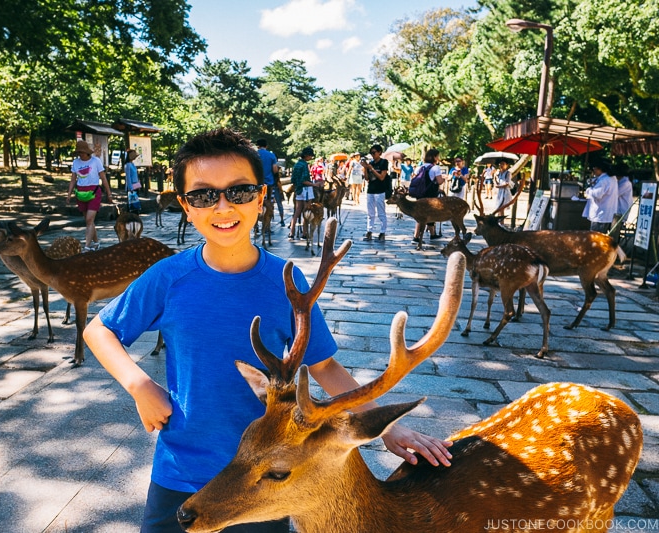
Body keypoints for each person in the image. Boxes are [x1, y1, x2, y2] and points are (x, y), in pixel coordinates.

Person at [82, 128, 452, 533]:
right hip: (181, 468)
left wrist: (387, 427)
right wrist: (140, 386)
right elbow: (99, 331)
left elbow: (325, 367)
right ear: (186, 207)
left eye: (238, 192)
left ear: (261, 197)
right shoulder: (169, 278)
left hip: (272, 484)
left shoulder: (286, 282)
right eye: (204, 196)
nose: (223, 207)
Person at [67, 139, 112, 251]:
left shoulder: (95, 161)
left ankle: (87, 246)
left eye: (82, 152)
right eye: (79, 152)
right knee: (89, 221)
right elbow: (73, 179)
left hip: (94, 192)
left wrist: (109, 193)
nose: (80, 154)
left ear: (87, 152)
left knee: (89, 220)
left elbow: (103, 177)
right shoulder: (75, 163)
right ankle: (96, 242)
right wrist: (69, 194)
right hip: (81, 192)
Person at [412, 148, 445, 244]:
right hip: (430, 195)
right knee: (427, 215)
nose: (438, 158)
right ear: (434, 157)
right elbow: (439, 181)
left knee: (423, 214)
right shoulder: (435, 168)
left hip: (420, 194)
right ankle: (420, 236)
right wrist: (445, 179)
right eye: (437, 156)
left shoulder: (420, 167)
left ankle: (429, 234)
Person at [360, 144, 389, 241]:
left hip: (380, 190)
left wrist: (371, 168)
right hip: (371, 190)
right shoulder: (371, 163)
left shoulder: (383, 162)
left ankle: (382, 232)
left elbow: (381, 177)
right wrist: (365, 168)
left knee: (381, 213)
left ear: (380, 152)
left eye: (374, 153)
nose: (372, 155)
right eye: (371, 153)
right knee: (370, 213)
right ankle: (369, 231)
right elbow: (367, 178)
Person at [582, 159, 618, 233]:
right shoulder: (611, 178)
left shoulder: (604, 180)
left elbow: (597, 194)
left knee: (595, 239)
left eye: (594, 168)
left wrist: (589, 190)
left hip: (600, 215)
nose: (593, 170)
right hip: (607, 214)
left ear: (600, 169)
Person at [255, 139, 284, 226]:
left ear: (258, 146)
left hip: (257, 184)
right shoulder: (271, 155)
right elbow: (275, 170)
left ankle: (256, 225)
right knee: (269, 205)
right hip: (269, 185)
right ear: (266, 146)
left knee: (257, 204)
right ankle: (267, 225)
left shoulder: (254, 155)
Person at [289, 146, 316, 239]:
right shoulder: (304, 165)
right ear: (307, 156)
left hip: (298, 190)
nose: (311, 158)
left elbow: (293, 179)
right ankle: (304, 233)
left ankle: (291, 232)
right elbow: (304, 180)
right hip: (306, 190)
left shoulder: (297, 164)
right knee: (306, 211)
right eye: (310, 156)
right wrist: (315, 185)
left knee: (297, 212)